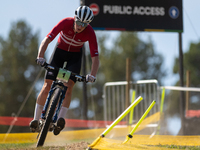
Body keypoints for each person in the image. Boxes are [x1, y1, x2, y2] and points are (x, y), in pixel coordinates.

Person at [29, 5, 99, 135]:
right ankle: (36, 119)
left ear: (88, 24)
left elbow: (95, 57)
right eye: (78, 22)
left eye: (84, 24)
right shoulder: (65, 22)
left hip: (74, 57)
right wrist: (40, 56)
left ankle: (60, 119)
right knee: (47, 85)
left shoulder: (90, 32)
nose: (80, 26)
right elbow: (47, 39)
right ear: (74, 19)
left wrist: (92, 75)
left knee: (68, 87)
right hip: (59, 53)